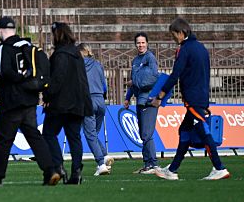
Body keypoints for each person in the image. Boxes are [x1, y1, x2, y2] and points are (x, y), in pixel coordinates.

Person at [0, 16, 60, 188]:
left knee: (4, 139)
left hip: (12, 100)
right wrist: (27, 77)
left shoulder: (5, 47)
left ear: (0, 31)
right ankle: (51, 170)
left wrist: (19, 79)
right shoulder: (27, 45)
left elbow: (5, 72)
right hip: (30, 98)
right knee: (34, 136)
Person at [154, 18, 231, 181]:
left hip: (193, 98)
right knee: (184, 131)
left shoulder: (185, 49)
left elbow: (176, 74)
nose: (173, 38)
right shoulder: (202, 48)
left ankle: (219, 167)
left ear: (181, 33)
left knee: (203, 131)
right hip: (201, 95)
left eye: (173, 35)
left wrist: (160, 95)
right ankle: (173, 169)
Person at [42, 22, 92, 185]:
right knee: (74, 138)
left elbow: (57, 80)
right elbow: (83, 81)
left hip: (61, 104)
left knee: (49, 134)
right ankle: (76, 172)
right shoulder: (77, 54)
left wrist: (47, 96)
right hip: (77, 104)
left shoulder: (60, 54)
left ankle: (58, 166)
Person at [123, 32, 160, 174]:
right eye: (138, 43)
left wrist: (135, 82)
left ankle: (153, 164)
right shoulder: (135, 61)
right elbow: (134, 83)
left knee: (146, 134)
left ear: (147, 43)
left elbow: (153, 78)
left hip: (149, 101)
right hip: (140, 101)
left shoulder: (150, 58)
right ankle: (147, 164)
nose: (140, 45)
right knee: (142, 134)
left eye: (143, 42)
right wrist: (127, 98)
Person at [78, 43, 114, 176]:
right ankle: (104, 155)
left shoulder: (78, 65)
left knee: (90, 134)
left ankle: (101, 163)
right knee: (92, 133)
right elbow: (104, 86)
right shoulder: (98, 64)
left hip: (87, 101)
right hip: (100, 101)